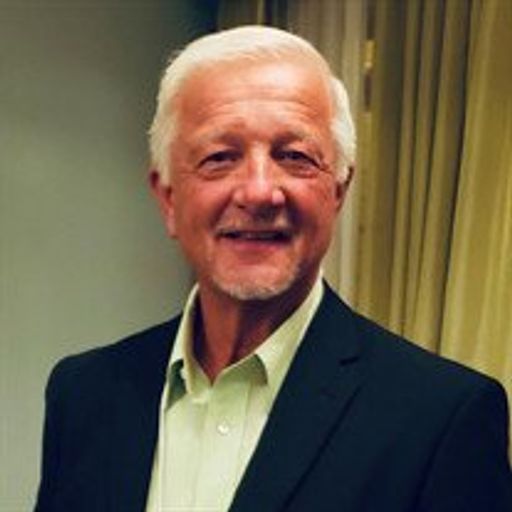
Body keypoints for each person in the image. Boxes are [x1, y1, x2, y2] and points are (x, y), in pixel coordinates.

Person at [35, 26, 512, 512]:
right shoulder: (84, 394)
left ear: (338, 192)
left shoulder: (441, 418)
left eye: (294, 157)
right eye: (220, 157)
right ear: (168, 198)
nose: (260, 191)